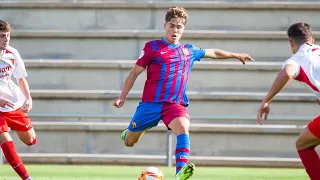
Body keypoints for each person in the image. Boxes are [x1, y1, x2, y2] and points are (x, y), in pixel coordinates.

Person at [114, 7, 254, 180]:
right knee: (129, 142)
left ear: (183, 29)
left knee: (183, 126)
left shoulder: (189, 50)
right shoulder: (152, 47)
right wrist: (122, 97)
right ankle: (129, 132)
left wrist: (235, 54)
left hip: (173, 104)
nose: (175, 30)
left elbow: (214, 52)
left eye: (179, 27)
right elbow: (134, 72)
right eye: (172, 26)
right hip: (150, 105)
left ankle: (180, 171)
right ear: (165, 25)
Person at [257, 22, 320, 180]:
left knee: (303, 144)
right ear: (311, 39)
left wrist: (266, 100)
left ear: (291, 42)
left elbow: (287, 72)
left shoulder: (297, 59)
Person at [0, 20, 35, 180]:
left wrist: (28, 98)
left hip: (13, 105)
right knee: (7, 144)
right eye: (1, 36)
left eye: (7, 35)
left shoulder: (12, 53)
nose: (6, 39)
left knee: (30, 140)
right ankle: (27, 179)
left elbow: (21, 78)